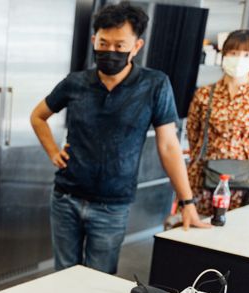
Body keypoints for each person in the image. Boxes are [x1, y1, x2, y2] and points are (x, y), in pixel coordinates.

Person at [30, 1, 209, 274]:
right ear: (94, 40)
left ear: (136, 46)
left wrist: (187, 202)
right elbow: (38, 116)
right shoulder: (75, 83)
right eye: (104, 43)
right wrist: (53, 151)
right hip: (66, 197)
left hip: (111, 206)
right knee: (63, 276)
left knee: (100, 278)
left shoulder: (154, 84)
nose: (110, 51)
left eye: (120, 45)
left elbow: (169, 146)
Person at [186, 29, 249, 215]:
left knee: (235, 228)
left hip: (242, 175)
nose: (239, 59)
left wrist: (240, 152)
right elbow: (193, 132)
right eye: (233, 53)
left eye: (247, 54)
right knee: (199, 227)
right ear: (224, 54)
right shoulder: (205, 93)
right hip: (203, 171)